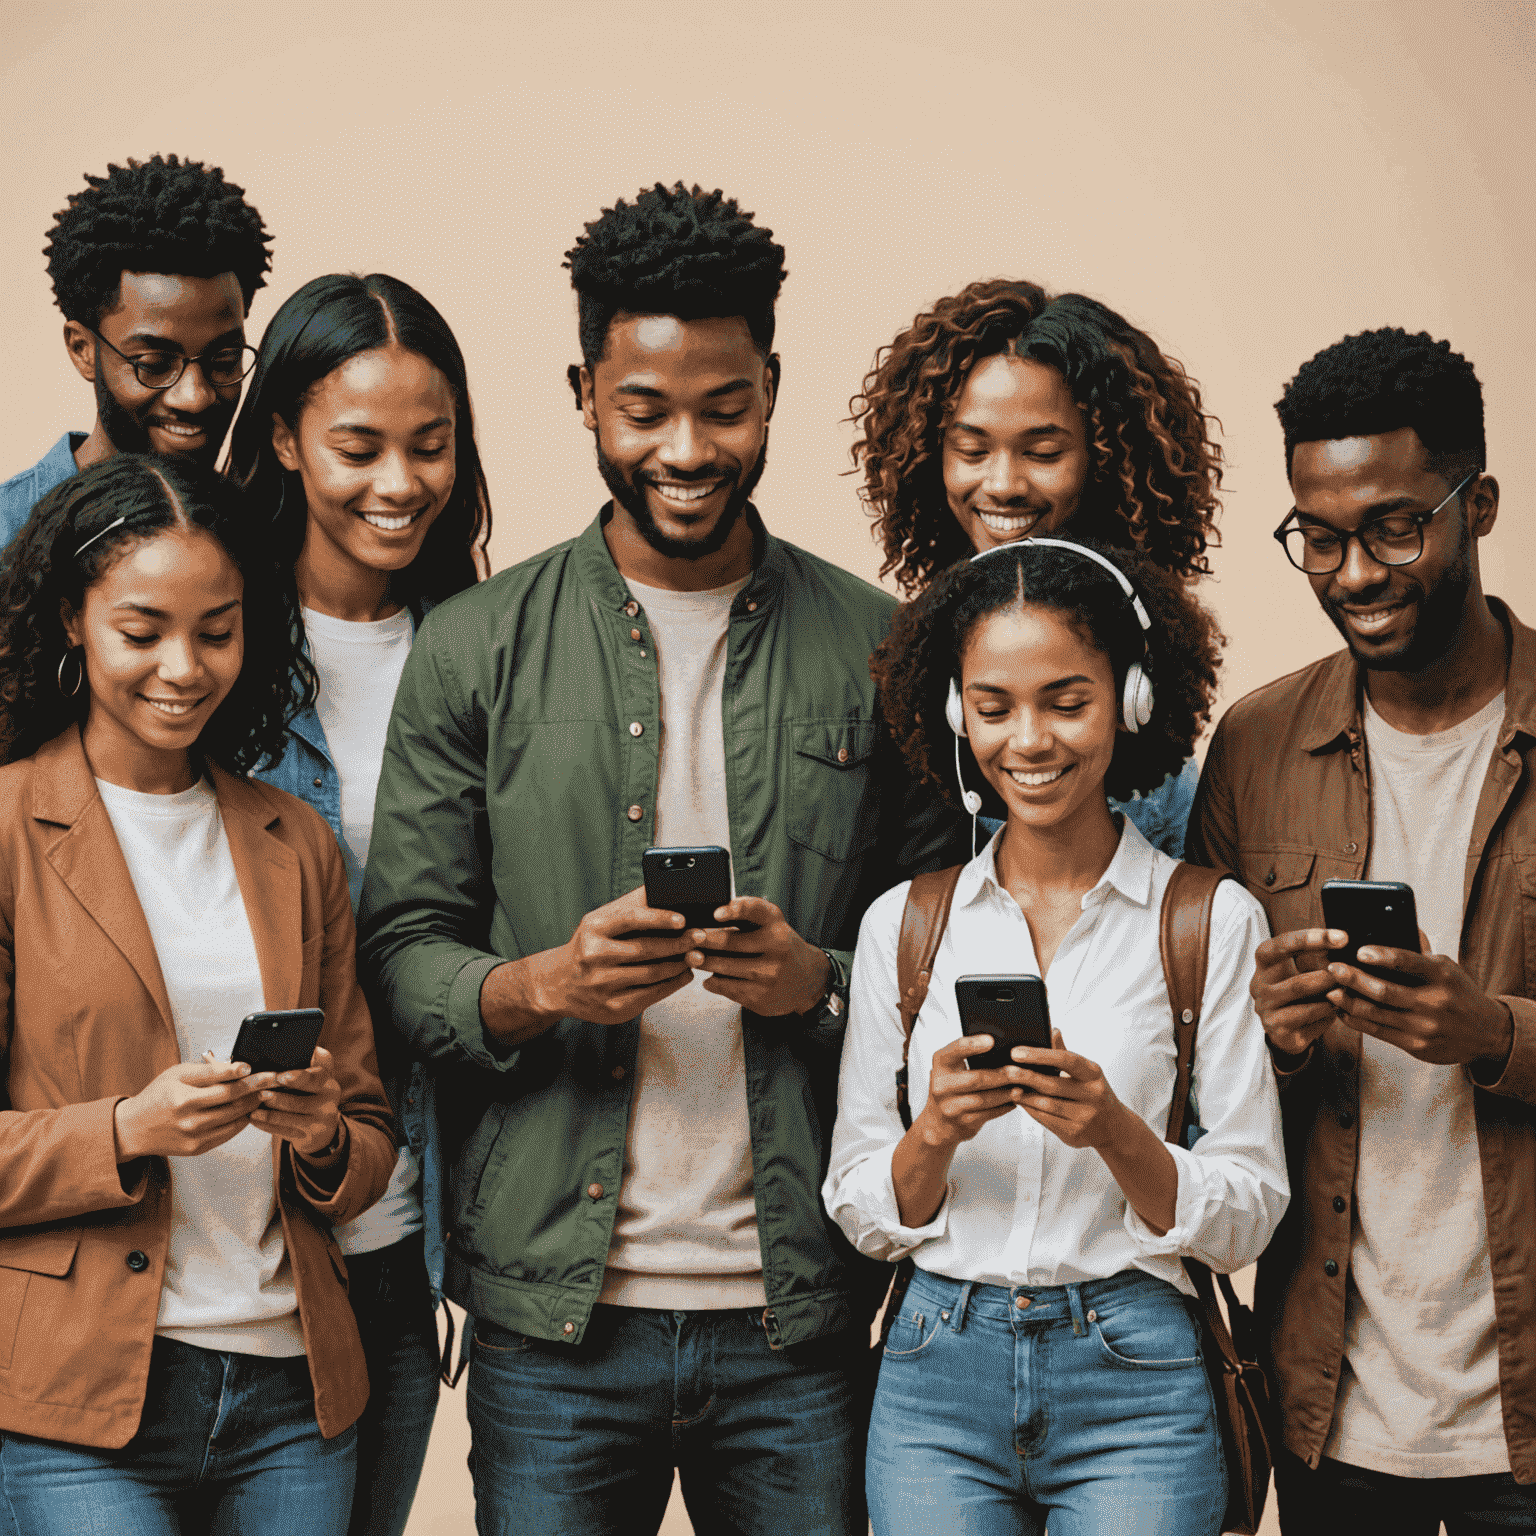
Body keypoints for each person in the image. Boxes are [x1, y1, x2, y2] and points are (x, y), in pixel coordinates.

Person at [357, 181, 964, 1536]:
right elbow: (402, 952)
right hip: (552, 1327)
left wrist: (819, 978)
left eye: (726, 406)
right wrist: (542, 987)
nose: (686, 448)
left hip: (798, 1314)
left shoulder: (883, 649)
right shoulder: (473, 648)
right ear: (584, 392)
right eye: (645, 409)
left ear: (774, 385)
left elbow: (958, 950)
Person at [825, 536, 1288, 1535]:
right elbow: (859, 1203)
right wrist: (935, 1133)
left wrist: (1115, 1131)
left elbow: (1251, 1210)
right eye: (993, 707)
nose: (1028, 740)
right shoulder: (903, 925)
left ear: (1129, 701)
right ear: (956, 712)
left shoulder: (1210, 921)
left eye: (1065, 701)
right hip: (933, 1370)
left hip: (1139, 1373)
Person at [0, 455, 395, 1534]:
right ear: (74, 622)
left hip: (290, 1397)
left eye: (217, 632)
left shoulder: (294, 839)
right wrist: (129, 1128)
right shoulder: (7, 829)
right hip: (80, 1408)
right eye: (143, 631)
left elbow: (368, 1141)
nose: (184, 667)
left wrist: (320, 1137)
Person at [1186, 327, 1536, 1531]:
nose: (1355, 573)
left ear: (1476, 501)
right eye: (1319, 537)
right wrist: (1267, 1041)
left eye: (1395, 526)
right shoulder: (1257, 745)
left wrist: (1494, 1033)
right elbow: (1195, 1085)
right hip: (1328, 1402)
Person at [225, 270, 492, 1536]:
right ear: (282, 436)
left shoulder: (490, 644)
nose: (400, 482)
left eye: (430, 445)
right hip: (220, 1204)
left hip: (399, 1216)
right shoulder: (204, 652)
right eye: (358, 446)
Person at [849, 278, 1224, 855]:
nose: (1002, 485)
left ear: (1105, 463)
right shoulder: (891, 672)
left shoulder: (1152, 765)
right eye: (972, 450)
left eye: (1043, 453)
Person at [0, 155, 272, 544]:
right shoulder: (8, 534)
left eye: (223, 361)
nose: (194, 397)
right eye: (155, 364)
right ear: (82, 350)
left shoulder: (258, 538)